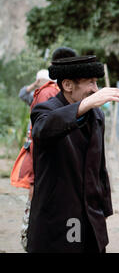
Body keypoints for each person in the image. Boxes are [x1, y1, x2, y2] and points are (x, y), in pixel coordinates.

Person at [27, 47, 119, 253]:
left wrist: (104, 209)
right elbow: (43, 130)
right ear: (67, 85)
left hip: (91, 214)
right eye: (90, 82)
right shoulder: (45, 110)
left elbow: (100, 168)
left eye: (97, 82)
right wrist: (87, 103)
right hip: (57, 215)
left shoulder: (97, 115)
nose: (95, 89)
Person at [11, 69, 59, 250]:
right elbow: (22, 93)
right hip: (36, 151)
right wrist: (35, 84)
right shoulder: (37, 96)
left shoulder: (49, 96)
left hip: (39, 154)